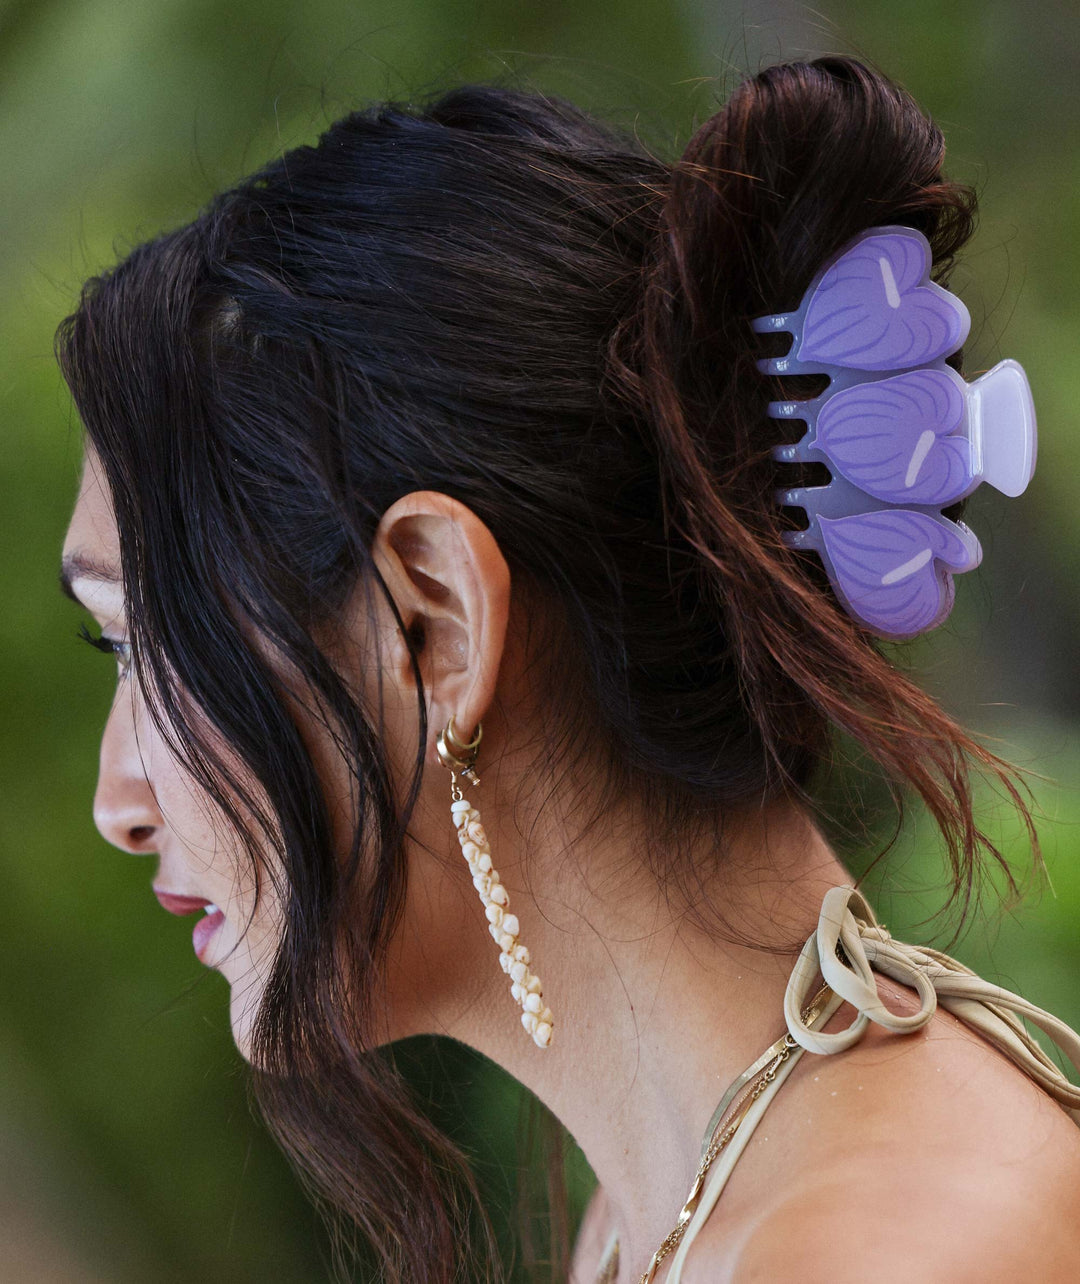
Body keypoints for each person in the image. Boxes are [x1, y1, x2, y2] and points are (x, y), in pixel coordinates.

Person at [55, 53, 1080, 1284]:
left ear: (434, 620)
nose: (119, 801)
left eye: (143, 640)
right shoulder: (670, 1208)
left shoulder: (881, 1250)